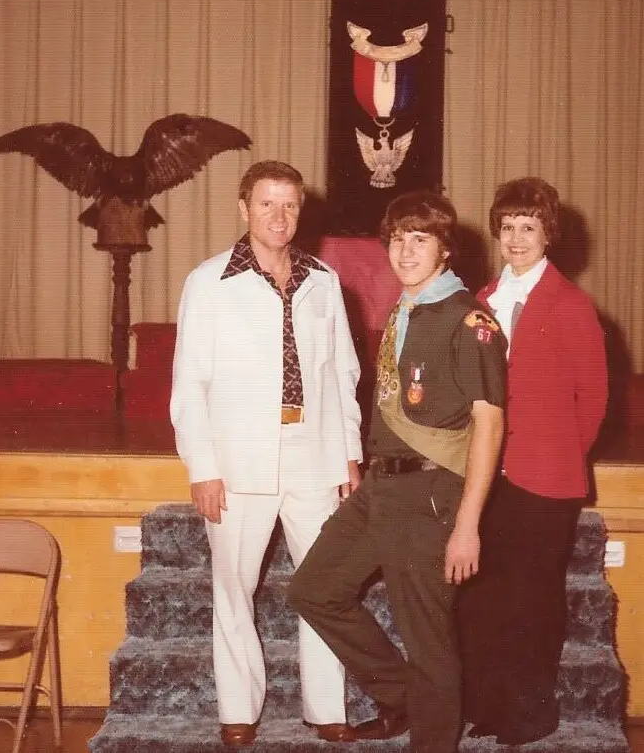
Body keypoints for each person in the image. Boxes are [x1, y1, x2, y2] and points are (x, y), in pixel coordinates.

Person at [288, 189, 507, 753]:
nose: (405, 251)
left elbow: (488, 425)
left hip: (432, 493)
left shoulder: (469, 321)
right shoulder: (405, 308)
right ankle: (406, 697)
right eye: (397, 239)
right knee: (314, 590)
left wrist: (467, 524)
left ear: (444, 249)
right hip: (382, 485)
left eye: (421, 239)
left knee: (427, 639)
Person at [170, 160, 362, 747]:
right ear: (243, 208)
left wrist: (349, 453)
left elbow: (344, 373)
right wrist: (203, 469)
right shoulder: (209, 282)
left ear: (302, 211)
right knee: (234, 587)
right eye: (266, 204)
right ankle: (238, 709)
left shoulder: (325, 280)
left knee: (323, 585)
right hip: (238, 460)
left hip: (314, 451)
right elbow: (189, 386)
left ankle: (326, 708)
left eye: (289, 205)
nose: (279, 217)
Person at [458, 177, 608, 745]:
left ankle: (529, 713)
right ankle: (487, 705)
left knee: (532, 599)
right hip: (484, 473)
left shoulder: (571, 304)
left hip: (545, 479)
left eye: (529, 227)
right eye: (508, 227)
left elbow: (593, 400)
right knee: (481, 595)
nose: (517, 239)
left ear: (548, 234)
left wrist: (557, 454)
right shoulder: (480, 302)